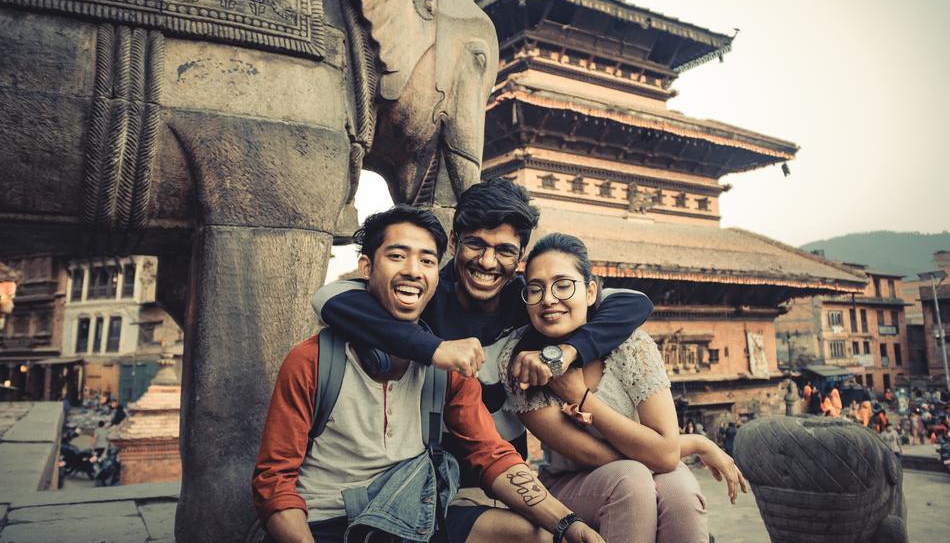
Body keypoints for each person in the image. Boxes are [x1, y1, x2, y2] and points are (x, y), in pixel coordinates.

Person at [253, 206, 603, 543]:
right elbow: (274, 481)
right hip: (324, 523)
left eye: (427, 260)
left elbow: (491, 454)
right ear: (366, 267)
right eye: (396, 256)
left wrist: (566, 522)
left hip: (411, 516)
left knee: (540, 536)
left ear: (438, 273)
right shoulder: (312, 360)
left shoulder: (447, 367)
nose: (413, 270)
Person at [313, 179, 653, 485]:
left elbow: (633, 302)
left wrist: (566, 351)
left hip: (510, 474)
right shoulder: (426, 296)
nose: (488, 262)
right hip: (428, 474)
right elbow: (329, 296)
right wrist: (433, 348)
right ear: (455, 241)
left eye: (505, 250)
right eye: (476, 244)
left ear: (520, 256)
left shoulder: (530, 302)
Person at [498, 233, 746, 543]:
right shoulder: (520, 362)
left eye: (563, 285)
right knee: (631, 479)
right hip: (572, 482)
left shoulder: (631, 345)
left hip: (647, 466)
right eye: (536, 289)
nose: (548, 299)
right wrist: (688, 445)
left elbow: (666, 456)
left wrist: (581, 397)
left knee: (680, 491)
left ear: (590, 292)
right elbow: (600, 456)